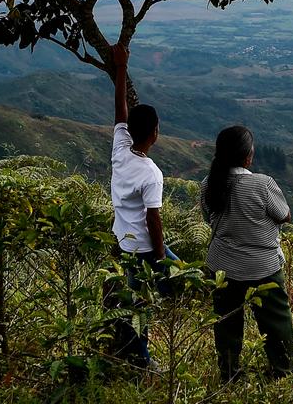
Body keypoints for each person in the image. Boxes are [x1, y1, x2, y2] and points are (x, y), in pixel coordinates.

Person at [201, 125, 293, 382]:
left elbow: (207, 218)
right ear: (247, 156)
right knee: (276, 320)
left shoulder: (210, 183)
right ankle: (283, 371)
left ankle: (229, 375)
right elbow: (284, 215)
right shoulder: (262, 184)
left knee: (226, 322)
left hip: (222, 266)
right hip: (263, 266)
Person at [107, 43, 177, 369]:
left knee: (182, 275)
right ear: (155, 133)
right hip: (143, 248)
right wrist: (160, 255)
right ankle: (142, 362)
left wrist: (121, 68)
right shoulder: (152, 173)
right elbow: (154, 221)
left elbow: (120, 110)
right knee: (141, 304)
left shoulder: (120, 149)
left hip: (122, 240)